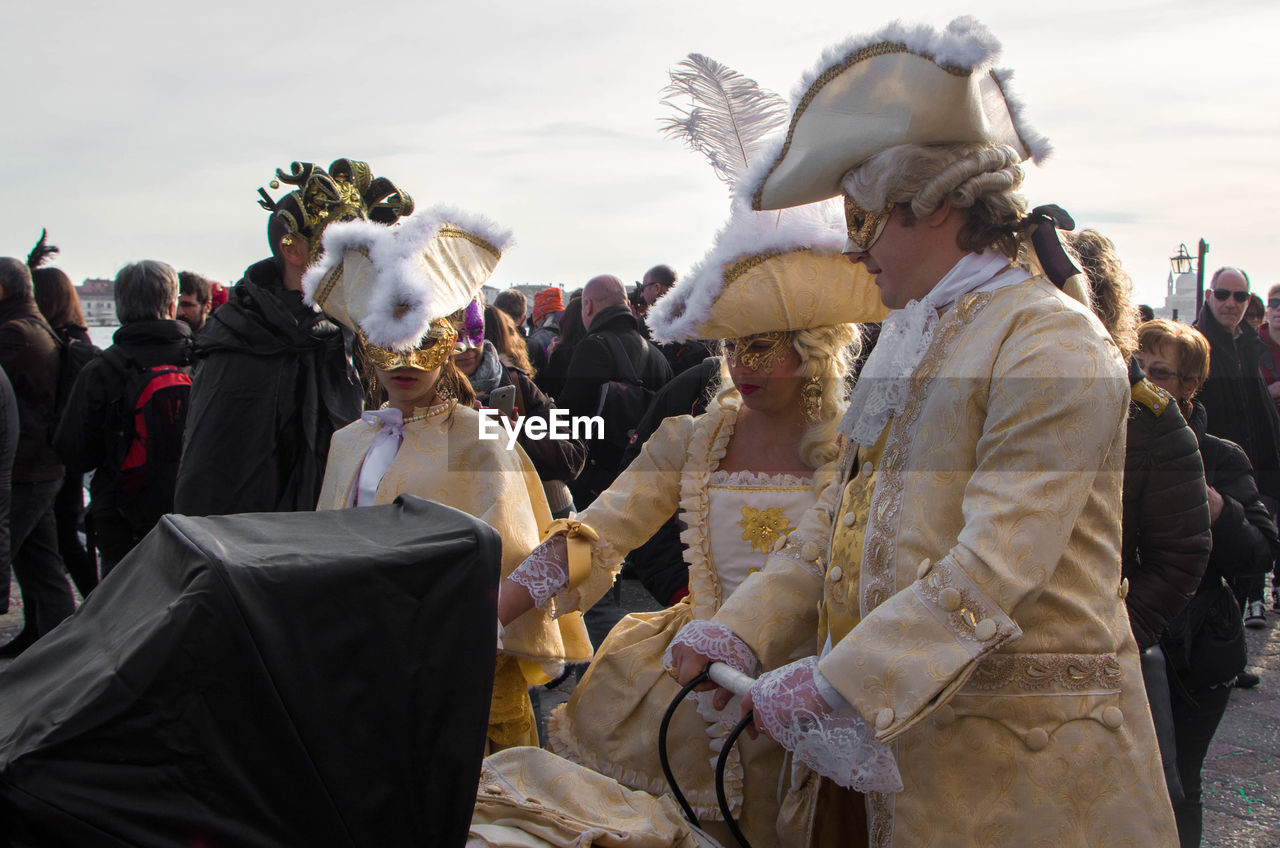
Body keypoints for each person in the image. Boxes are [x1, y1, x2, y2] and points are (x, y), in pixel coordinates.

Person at [669, 19, 1178, 845]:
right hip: (881, 755)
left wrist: (836, 685)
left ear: (934, 204)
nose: (855, 252)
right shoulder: (907, 342)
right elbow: (830, 526)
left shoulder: (1049, 339)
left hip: (1016, 773)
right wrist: (745, 626)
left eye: (865, 220)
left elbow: (995, 565)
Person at [497, 200, 879, 845]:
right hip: (686, 684)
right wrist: (505, 602)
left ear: (813, 347)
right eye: (733, 346)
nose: (741, 366)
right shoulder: (692, 440)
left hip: (814, 692)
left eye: (763, 347)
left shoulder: (856, 448)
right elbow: (603, 531)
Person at [306, 209, 590, 753]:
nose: (404, 361)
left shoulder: (481, 440)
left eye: (422, 340)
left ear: (450, 341)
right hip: (367, 650)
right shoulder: (349, 442)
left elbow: (517, 556)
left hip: (457, 656)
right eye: (388, 342)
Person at [173, 160, 412, 517]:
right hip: (261, 547)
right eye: (343, 243)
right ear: (292, 248)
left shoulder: (353, 335)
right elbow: (213, 476)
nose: (359, 258)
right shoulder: (238, 339)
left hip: (341, 538)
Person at [1135, 319, 1275, 847]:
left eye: (1161, 374)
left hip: (1198, 651)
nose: (1146, 381)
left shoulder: (1221, 456)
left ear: (1190, 385)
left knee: (1179, 787)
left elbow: (1259, 552)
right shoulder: (1110, 443)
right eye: (1140, 369)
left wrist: (1219, 508)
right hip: (1130, 636)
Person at [54, 261, 193, 576]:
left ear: (120, 309)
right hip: (193, 518)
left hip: (121, 520)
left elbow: (75, 453)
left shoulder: (102, 369)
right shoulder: (201, 361)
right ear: (172, 305)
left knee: (122, 616)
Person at [1194, 266, 1280, 628]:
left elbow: (1260, 413)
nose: (1231, 303)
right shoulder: (1197, 343)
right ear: (1210, 295)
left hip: (1251, 471)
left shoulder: (1247, 344)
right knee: (1210, 570)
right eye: (1223, 294)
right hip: (1212, 471)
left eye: (1240, 296)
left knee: (1246, 558)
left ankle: (1232, 653)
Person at [0, 257, 73, 657]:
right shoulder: (32, 325)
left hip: (25, 468)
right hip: (39, 464)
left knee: (23, 557)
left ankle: (60, 648)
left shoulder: (14, 334)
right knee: (41, 564)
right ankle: (56, 644)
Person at [453, 299, 585, 519]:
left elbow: (572, 456)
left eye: (475, 332)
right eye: (456, 334)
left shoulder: (515, 382)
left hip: (522, 521)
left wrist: (517, 434)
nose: (467, 345)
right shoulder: (425, 392)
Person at [558, 275, 672, 508]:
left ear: (587, 305)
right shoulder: (658, 356)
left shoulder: (593, 348)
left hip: (599, 490)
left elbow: (567, 417)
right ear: (627, 305)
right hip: (647, 486)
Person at [28, 231, 100, 597]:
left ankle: (95, 604)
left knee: (64, 537)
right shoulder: (75, 341)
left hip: (59, 455)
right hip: (63, 452)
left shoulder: (65, 345)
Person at [526, 287, 564, 374]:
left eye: (537, 320)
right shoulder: (573, 328)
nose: (536, 325)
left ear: (543, 316)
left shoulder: (540, 337)